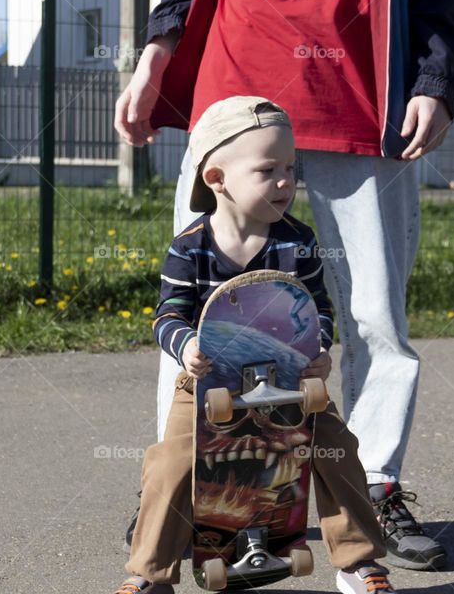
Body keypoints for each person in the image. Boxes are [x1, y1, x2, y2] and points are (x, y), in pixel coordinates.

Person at [115, 0, 454, 570]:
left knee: (373, 317)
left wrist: (436, 78)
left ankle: (374, 488)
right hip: (238, 83)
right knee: (205, 316)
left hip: (365, 88)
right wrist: (154, 57)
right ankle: (187, 493)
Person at [115, 96, 396, 594]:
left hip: (288, 381)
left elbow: (317, 309)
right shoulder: (190, 246)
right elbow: (168, 315)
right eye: (268, 169)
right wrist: (186, 347)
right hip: (206, 385)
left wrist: (319, 350)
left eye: (291, 167)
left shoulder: (298, 241)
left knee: (334, 447)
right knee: (172, 460)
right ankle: (150, 575)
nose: (286, 181)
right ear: (216, 178)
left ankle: (358, 562)